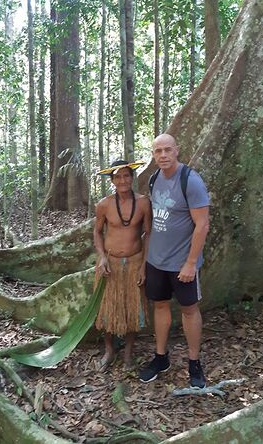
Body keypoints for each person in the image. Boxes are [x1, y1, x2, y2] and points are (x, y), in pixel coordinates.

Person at [139, 134, 210, 388]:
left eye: (167, 150)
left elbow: (202, 225)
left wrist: (191, 262)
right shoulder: (154, 179)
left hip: (182, 263)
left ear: (177, 151)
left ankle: (194, 362)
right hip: (157, 260)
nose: (163, 155)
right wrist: (146, 259)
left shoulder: (190, 180)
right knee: (160, 306)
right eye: (158, 151)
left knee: (189, 310)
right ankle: (161, 357)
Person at [94, 159, 152, 371]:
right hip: (110, 264)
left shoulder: (144, 202)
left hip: (135, 261)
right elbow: (97, 232)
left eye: (126, 175)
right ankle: (109, 350)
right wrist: (101, 257)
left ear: (132, 177)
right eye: (117, 177)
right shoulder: (104, 205)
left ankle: (128, 352)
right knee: (107, 308)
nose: (122, 180)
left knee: (132, 308)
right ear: (112, 180)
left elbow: (148, 234)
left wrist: (144, 265)